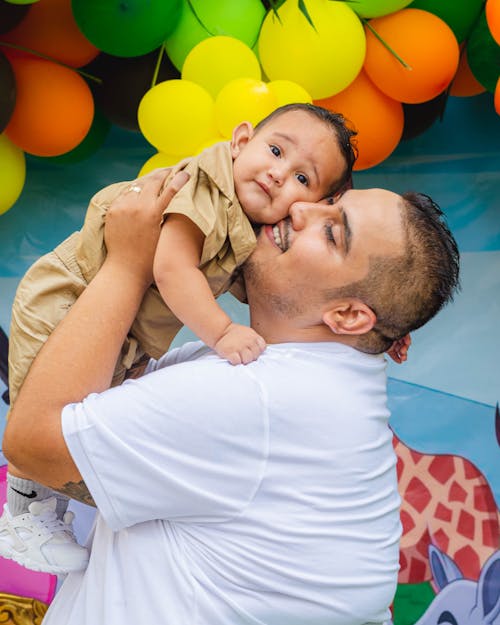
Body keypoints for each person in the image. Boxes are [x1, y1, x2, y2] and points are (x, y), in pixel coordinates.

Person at [2, 170, 460, 625]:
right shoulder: (302, 380)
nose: (300, 207)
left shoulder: (260, 398)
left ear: (347, 315)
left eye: (332, 230)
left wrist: (128, 264)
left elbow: (32, 446)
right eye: (329, 201)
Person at [1, 103, 357, 574]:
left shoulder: (244, 223)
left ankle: (42, 513)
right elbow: (172, 268)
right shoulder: (205, 189)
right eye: (274, 150)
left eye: (302, 179)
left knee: (82, 418)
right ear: (241, 140)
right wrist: (223, 331)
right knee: (49, 411)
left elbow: (236, 278)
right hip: (65, 298)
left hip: (119, 327)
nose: (277, 174)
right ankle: (23, 519)